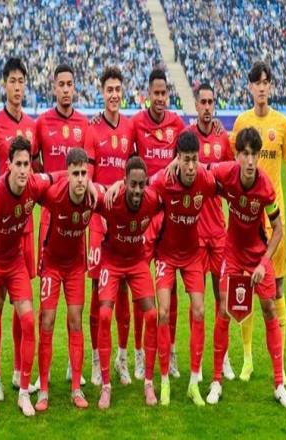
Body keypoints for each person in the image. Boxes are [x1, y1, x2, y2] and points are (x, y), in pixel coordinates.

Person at [206, 127, 286, 408]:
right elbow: (202, 172)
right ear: (237, 156)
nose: (250, 160)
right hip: (232, 253)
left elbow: (278, 229)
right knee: (223, 309)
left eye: (254, 154)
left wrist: (264, 263)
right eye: (245, 154)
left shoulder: (265, 187)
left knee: (269, 308)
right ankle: (216, 380)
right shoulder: (226, 172)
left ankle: (279, 384)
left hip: (257, 256)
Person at [0, 137, 59, 424]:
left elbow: (57, 176)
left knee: (29, 320)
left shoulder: (34, 183)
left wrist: (86, 182)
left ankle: (24, 392)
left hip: (15, 263)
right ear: (8, 165)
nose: (23, 170)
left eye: (27, 164)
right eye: (18, 164)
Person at [230, 61, 286, 384]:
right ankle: (247, 359)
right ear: (250, 87)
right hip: (247, 220)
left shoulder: (281, 123)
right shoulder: (242, 122)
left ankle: (279, 364)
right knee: (245, 287)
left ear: (270, 86)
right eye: (256, 83)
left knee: (277, 290)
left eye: (266, 82)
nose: (261, 87)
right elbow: (231, 166)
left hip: (275, 219)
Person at [0, 57, 39, 400]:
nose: (17, 87)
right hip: (0, 229)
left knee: (22, 301)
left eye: (21, 81)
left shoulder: (31, 126)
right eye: (12, 81)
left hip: (25, 229)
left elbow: (36, 173)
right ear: (4, 85)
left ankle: (19, 370)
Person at [151, 131, 217, 406]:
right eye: (186, 160)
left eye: (194, 160)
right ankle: (165, 380)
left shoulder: (205, 178)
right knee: (163, 312)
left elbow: (228, 180)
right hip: (166, 255)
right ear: (177, 159)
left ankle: (193, 383)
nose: (191, 166)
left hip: (191, 255)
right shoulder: (163, 180)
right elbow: (139, 189)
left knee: (199, 310)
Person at [33, 63, 89, 389]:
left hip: (77, 225)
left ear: (74, 87)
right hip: (50, 223)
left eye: (70, 84)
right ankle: (41, 375)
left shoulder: (84, 125)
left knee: (75, 310)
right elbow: (35, 165)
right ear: (54, 87)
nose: (66, 89)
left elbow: (89, 170)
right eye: (61, 84)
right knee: (47, 312)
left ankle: (73, 366)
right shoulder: (42, 123)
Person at [131, 68, 185, 379]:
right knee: (141, 288)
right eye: (156, 93)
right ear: (148, 94)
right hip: (142, 216)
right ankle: (139, 354)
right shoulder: (136, 124)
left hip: (170, 216)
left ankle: (171, 352)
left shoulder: (177, 124)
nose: (161, 98)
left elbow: (189, 153)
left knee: (170, 288)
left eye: (165, 93)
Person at [84, 66, 135, 386]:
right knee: (96, 291)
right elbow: (88, 179)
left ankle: (122, 358)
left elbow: (136, 173)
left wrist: (123, 189)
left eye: (118, 89)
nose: (114, 94)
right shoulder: (92, 130)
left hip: (124, 223)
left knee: (125, 287)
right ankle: (94, 358)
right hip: (98, 222)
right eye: (109, 90)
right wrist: (105, 195)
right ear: (102, 93)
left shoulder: (130, 128)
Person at [96, 157, 161, 409]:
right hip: (111, 262)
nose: (137, 190)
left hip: (137, 261)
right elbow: (88, 192)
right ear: (124, 182)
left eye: (141, 184)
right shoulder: (111, 200)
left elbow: (172, 192)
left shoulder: (152, 200)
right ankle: (105, 386)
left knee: (152, 315)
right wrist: (107, 187)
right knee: (104, 315)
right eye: (132, 184)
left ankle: (148, 383)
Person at [34, 148, 96, 411]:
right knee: (47, 320)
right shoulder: (54, 194)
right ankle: (43, 390)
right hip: (52, 264)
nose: (80, 179)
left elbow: (115, 197)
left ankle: (76, 389)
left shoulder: (93, 197)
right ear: (68, 174)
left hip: (75, 267)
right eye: (75, 174)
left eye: (84, 173)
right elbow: (31, 189)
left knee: (75, 320)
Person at [188, 83, 235, 381]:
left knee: (223, 299)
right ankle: (198, 360)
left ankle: (223, 357)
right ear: (195, 105)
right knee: (198, 304)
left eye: (210, 102)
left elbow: (231, 180)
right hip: (193, 233)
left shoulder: (222, 138)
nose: (207, 107)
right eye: (202, 102)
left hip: (218, 231)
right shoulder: (187, 137)